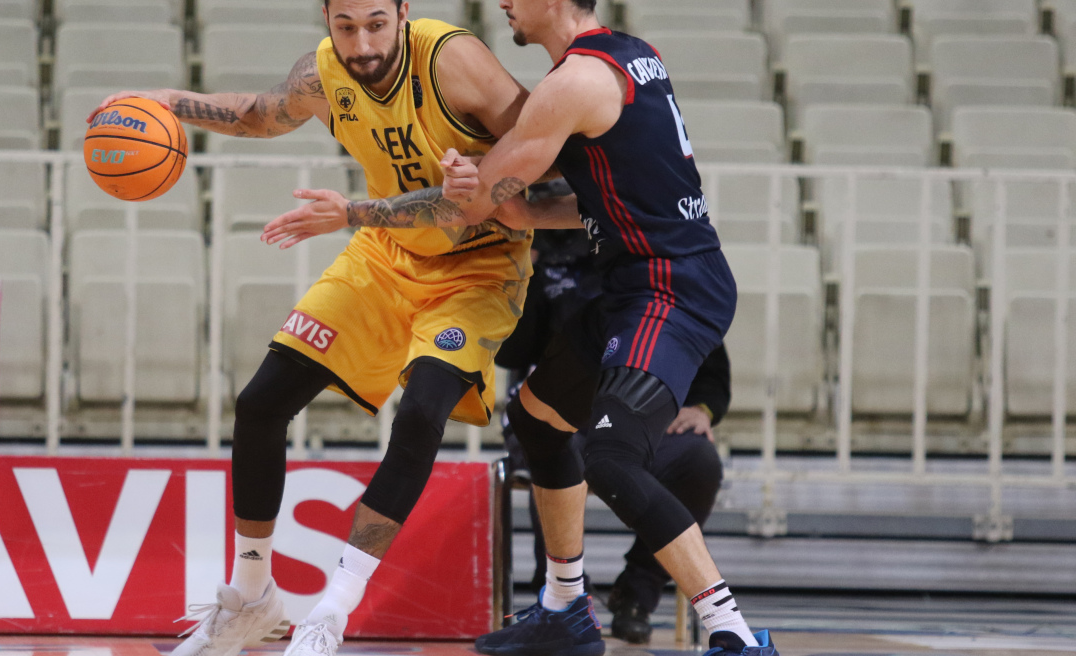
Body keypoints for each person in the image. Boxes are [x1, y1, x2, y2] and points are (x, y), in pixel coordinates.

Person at [256, 0, 780, 655]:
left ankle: (732, 633)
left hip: (667, 284)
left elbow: (471, 205)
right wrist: (519, 208)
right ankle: (565, 608)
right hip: (631, 276)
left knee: (613, 457)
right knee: (536, 421)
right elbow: (586, 199)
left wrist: (403, 200)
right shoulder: (631, 52)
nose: (503, 1)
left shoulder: (573, 85)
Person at [89, 3, 534, 656]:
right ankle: (250, 596)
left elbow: (543, 151)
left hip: (478, 265)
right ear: (326, 17)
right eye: (345, 24)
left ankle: (333, 608)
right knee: (260, 404)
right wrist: (166, 101)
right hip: (386, 253)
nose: (361, 41)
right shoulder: (323, 74)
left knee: (420, 416)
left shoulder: (454, 61)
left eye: (377, 23)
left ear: (405, 12)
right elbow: (257, 115)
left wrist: (484, 177)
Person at [497, 219, 731, 645]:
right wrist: (523, 271)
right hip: (563, 411)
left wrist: (703, 409)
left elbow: (709, 359)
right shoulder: (543, 258)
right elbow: (510, 351)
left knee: (697, 461)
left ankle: (637, 595)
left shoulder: (653, 258)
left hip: (639, 413)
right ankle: (563, 599)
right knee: (551, 444)